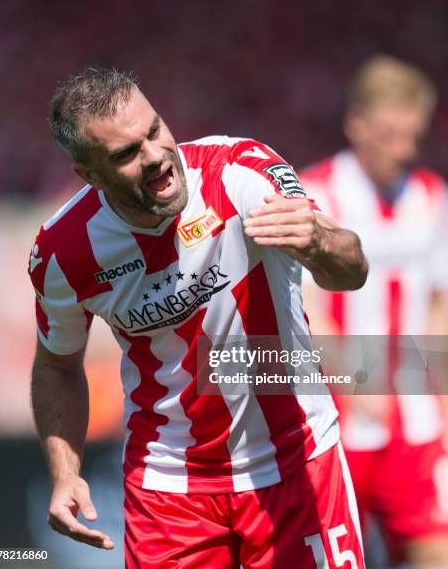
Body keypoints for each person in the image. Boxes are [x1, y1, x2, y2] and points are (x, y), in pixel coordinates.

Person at [28, 67, 368, 568]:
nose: (155, 157)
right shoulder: (63, 253)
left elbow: (351, 270)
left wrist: (319, 243)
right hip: (169, 487)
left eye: (154, 130)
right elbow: (56, 365)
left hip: (295, 460)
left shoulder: (240, 172)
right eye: (126, 154)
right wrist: (65, 470)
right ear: (90, 175)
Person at [300, 55, 448, 568]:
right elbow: (305, 309)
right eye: (390, 135)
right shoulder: (313, 194)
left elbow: (439, 304)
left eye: (412, 137)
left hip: (416, 426)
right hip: (336, 422)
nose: (403, 150)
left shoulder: (432, 196)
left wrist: (430, 386)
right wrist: (358, 382)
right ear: (356, 123)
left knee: (436, 550)